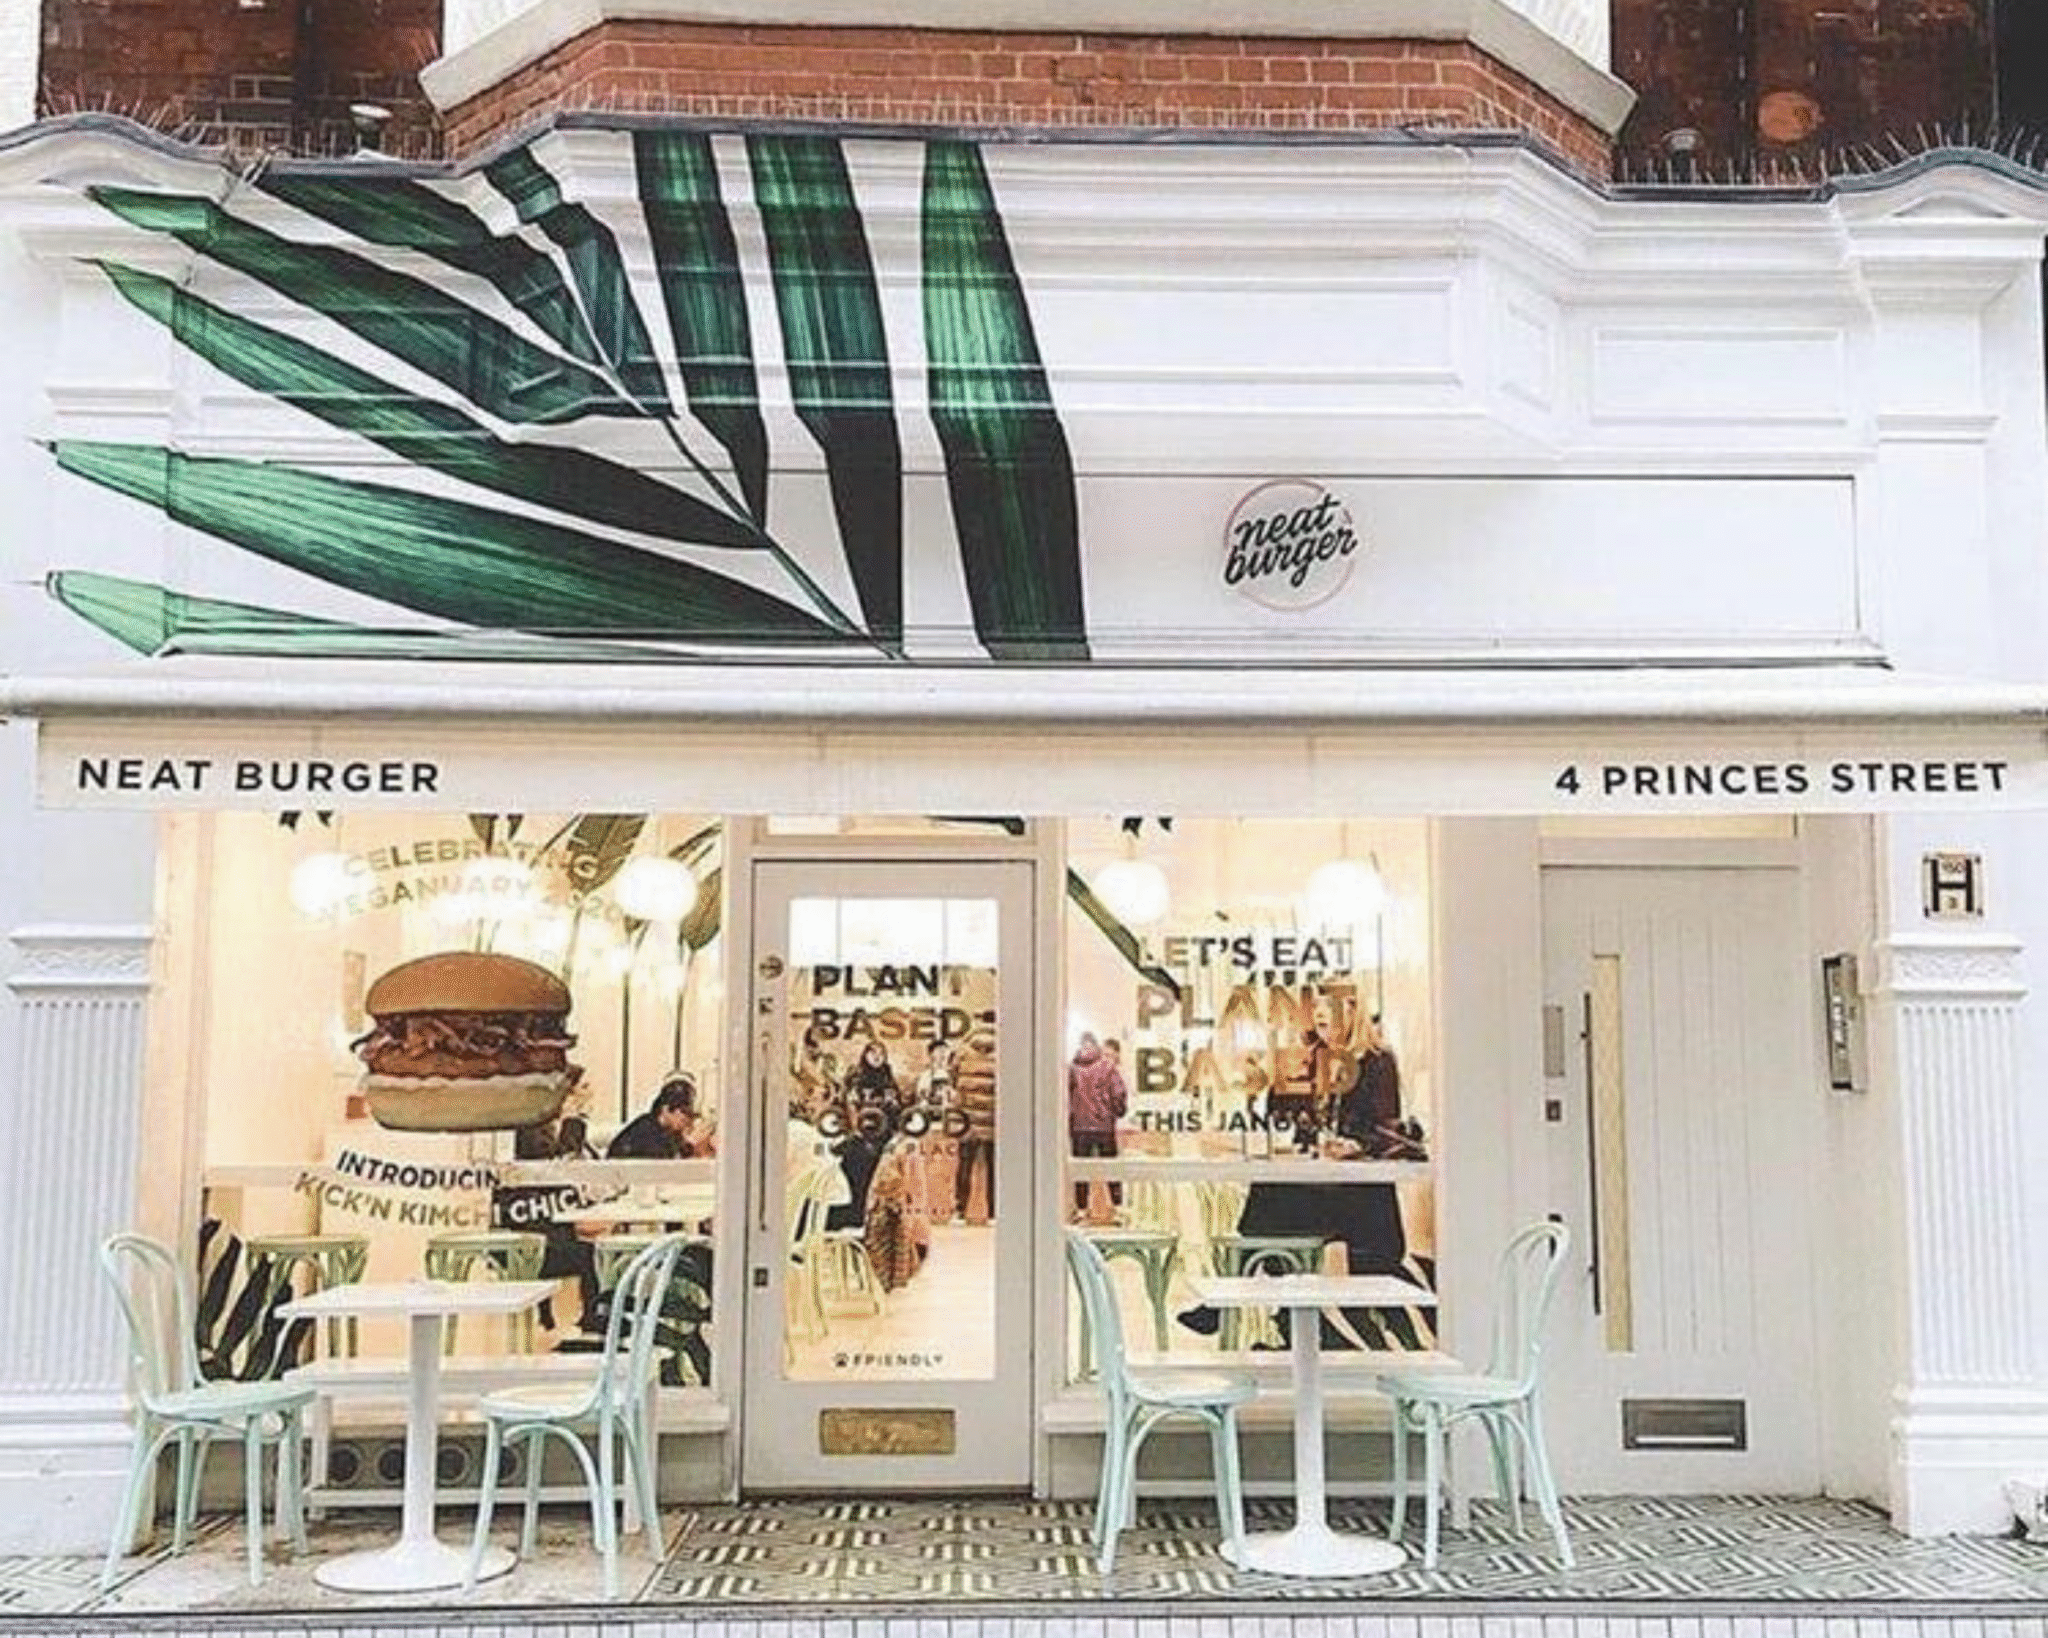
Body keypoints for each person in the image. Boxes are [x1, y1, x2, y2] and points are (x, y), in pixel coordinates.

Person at [1066, 1032, 1128, 1222]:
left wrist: (1071, 1115)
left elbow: (1064, 1095)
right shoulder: (1107, 1067)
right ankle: (1118, 1208)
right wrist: (1118, 1111)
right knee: (1110, 1167)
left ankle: (1082, 1209)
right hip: (1104, 1125)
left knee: (1081, 1169)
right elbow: (1118, 1092)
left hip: (1080, 1126)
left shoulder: (1072, 1069)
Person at [606, 1073, 710, 1160]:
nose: (688, 1121)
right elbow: (664, 1167)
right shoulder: (646, 1132)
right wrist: (690, 1146)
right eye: (685, 1113)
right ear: (666, 1109)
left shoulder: (668, 1131)